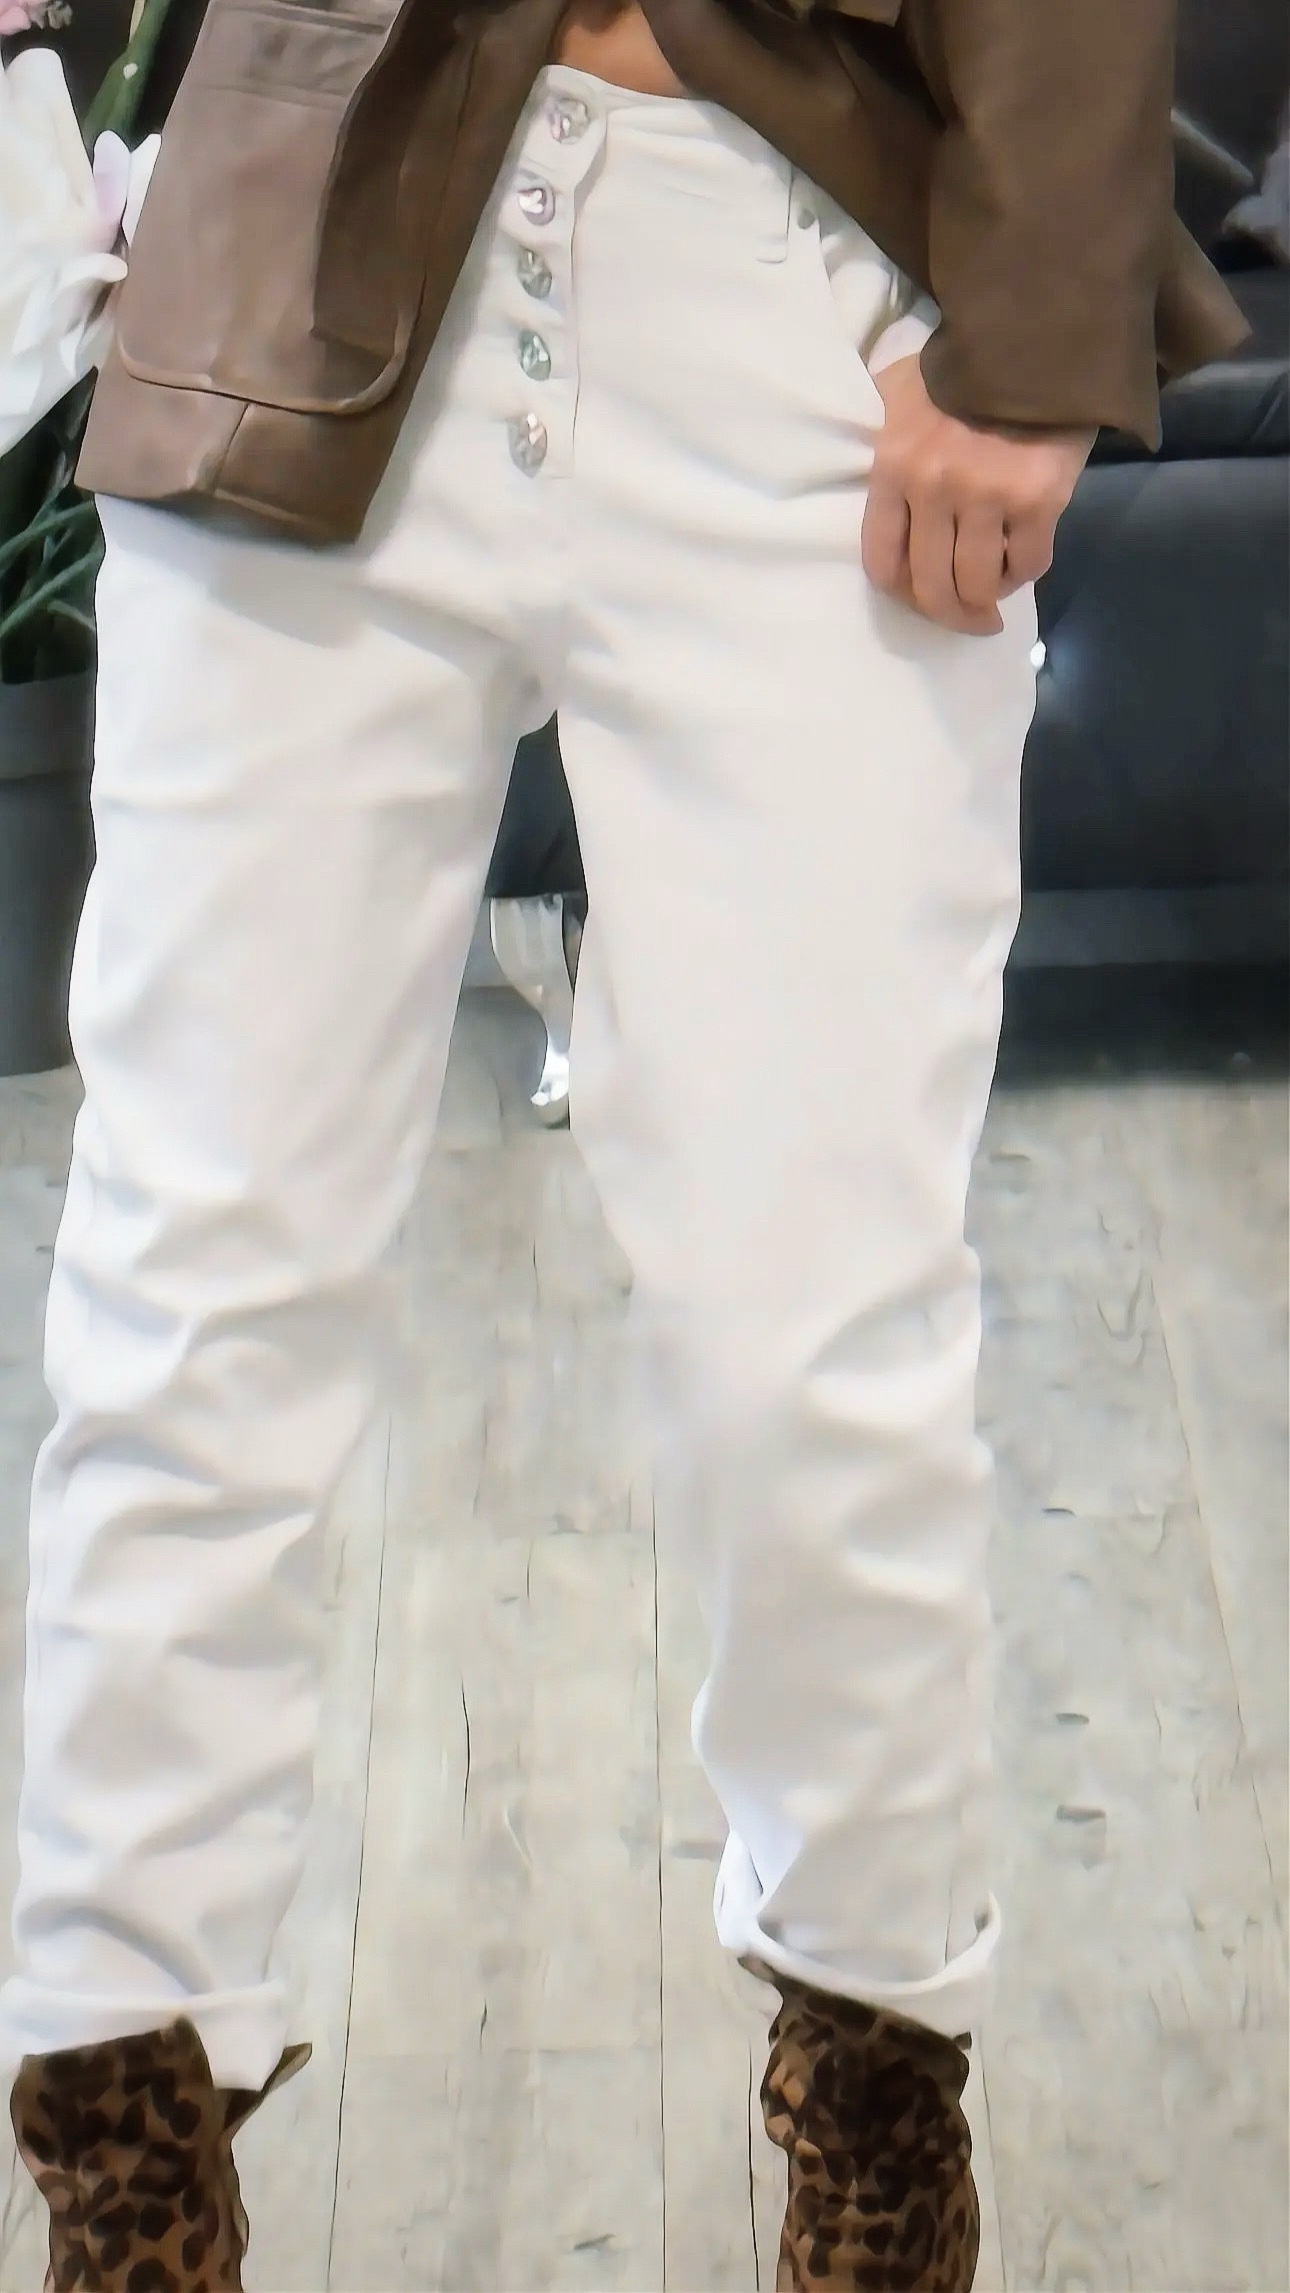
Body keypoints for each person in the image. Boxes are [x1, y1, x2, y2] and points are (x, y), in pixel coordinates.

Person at [1, 0, 1244, 2286]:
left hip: (794, 286)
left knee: (815, 1344)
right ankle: (125, 2175)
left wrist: (1035, 325)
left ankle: (879, 2130)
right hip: (310, 213)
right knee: (190, 1304)